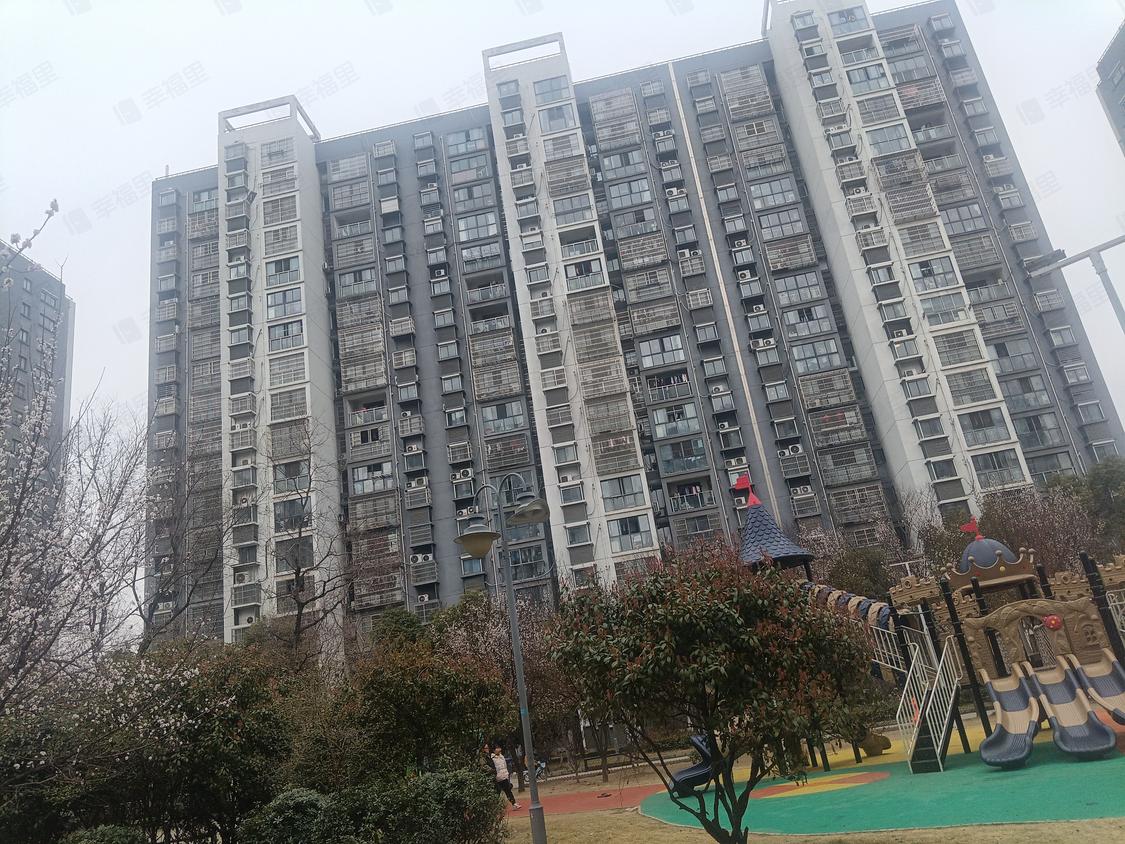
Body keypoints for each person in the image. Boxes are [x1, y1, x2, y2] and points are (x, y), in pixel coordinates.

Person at [491, 742, 520, 809]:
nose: (499, 749)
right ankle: (495, 807)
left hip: (504, 777)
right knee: (497, 792)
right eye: (497, 748)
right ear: (494, 750)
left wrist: (506, 774)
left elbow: (505, 766)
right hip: (497, 778)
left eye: (499, 748)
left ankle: (514, 803)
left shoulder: (502, 756)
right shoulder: (492, 758)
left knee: (508, 791)